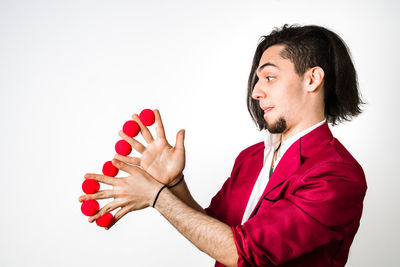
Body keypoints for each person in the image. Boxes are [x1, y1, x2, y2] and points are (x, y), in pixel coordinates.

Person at [79, 24, 367, 267]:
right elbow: (215, 230)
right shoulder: (251, 157)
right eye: (257, 80)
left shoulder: (338, 175)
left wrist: (157, 197)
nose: (256, 91)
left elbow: (241, 251)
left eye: (270, 77)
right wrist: (174, 183)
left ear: (312, 79)